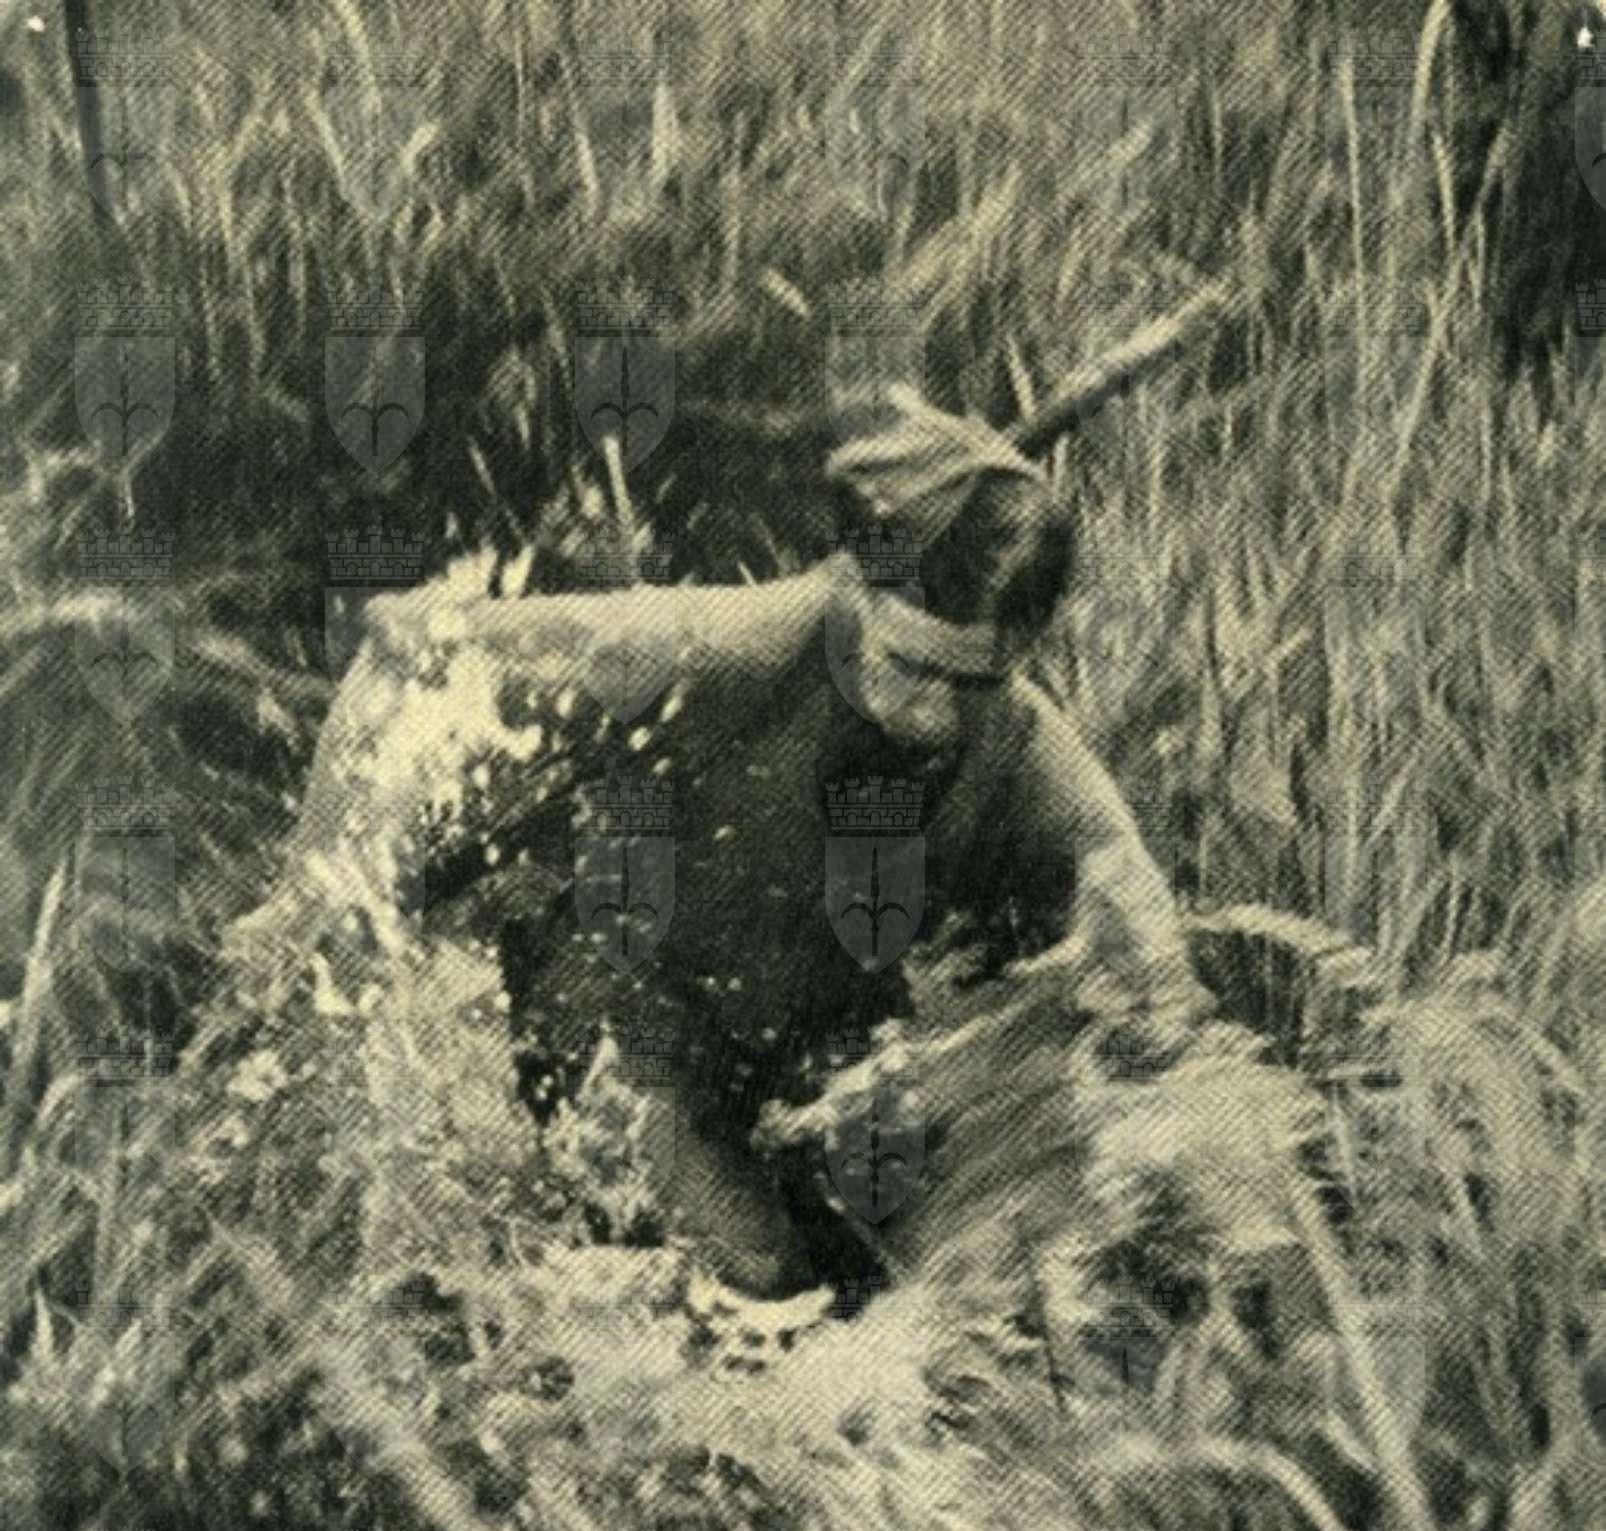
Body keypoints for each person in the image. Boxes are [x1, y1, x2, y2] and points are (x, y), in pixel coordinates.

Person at [231, 387, 1194, 1294]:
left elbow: (1133, 909)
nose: (937, 715)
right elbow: (411, 661)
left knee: (953, 1273)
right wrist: (319, 901)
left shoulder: (1020, 742)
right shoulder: (711, 647)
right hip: (622, 1016)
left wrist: (1147, 1006)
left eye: (972, 683)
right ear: (856, 592)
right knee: (757, 1290)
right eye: (910, 668)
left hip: (793, 1056)